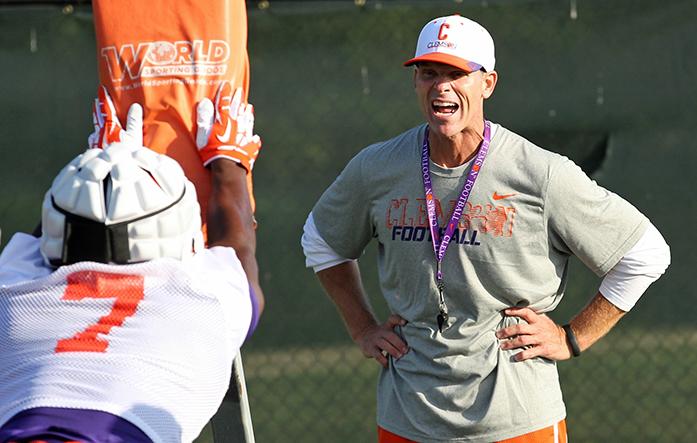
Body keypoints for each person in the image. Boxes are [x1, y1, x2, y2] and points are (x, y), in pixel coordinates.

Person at [301, 14, 670, 443]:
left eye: (457, 74)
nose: (441, 87)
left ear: (488, 84)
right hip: (407, 417)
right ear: (416, 82)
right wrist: (362, 328)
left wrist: (573, 337)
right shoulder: (377, 167)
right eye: (428, 73)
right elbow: (321, 241)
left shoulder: (538, 173)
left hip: (517, 420)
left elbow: (644, 254)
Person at [0, 141, 259, 443]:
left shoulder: (14, 297)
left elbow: (45, 235)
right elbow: (238, 250)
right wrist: (229, 162)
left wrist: (98, 162)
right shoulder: (201, 302)